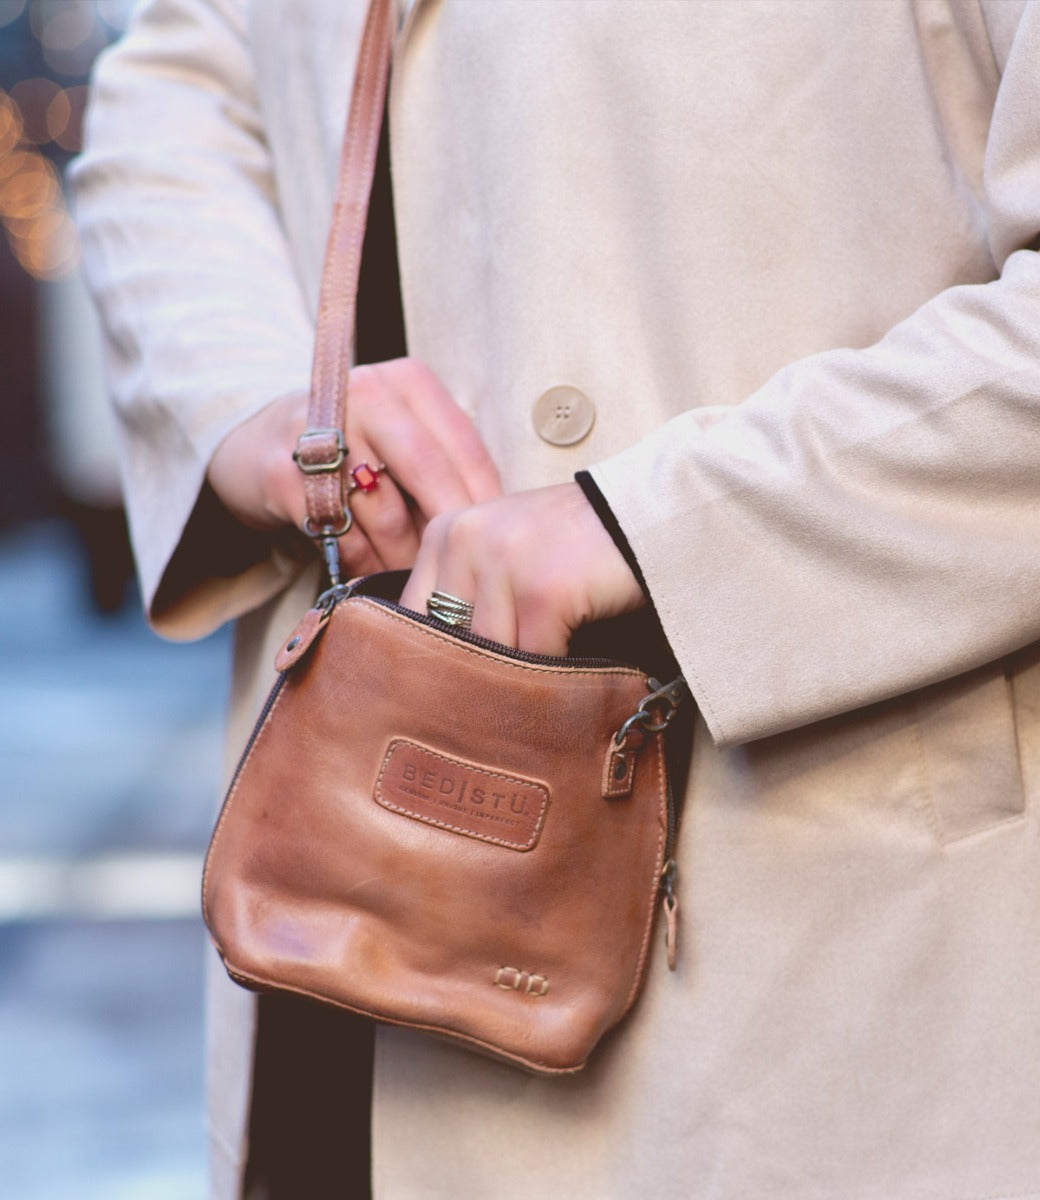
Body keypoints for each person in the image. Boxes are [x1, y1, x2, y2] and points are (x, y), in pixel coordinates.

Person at [72, 1, 1040, 1196]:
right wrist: (252, 394)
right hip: (345, 907)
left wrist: (662, 523)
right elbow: (181, 77)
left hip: (812, 935)